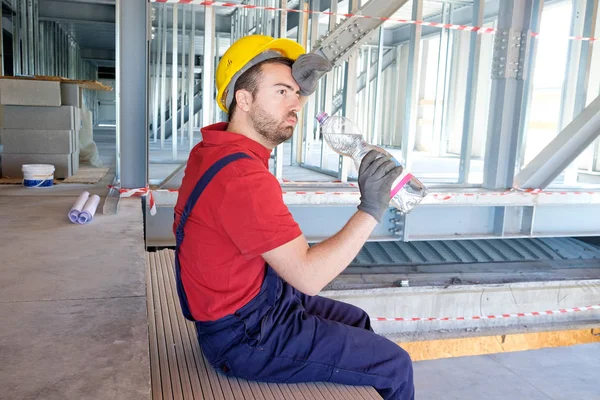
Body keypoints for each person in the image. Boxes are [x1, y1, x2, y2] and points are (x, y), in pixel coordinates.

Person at [173, 34, 414, 400]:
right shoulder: (244, 179)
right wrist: (372, 207)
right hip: (245, 335)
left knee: (359, 323)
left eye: (297, 94)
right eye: (281, 92)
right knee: (396, 365)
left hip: (257, 302)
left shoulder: (215, 149)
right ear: (244, 99)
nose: (296, 103)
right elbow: (309, 276)